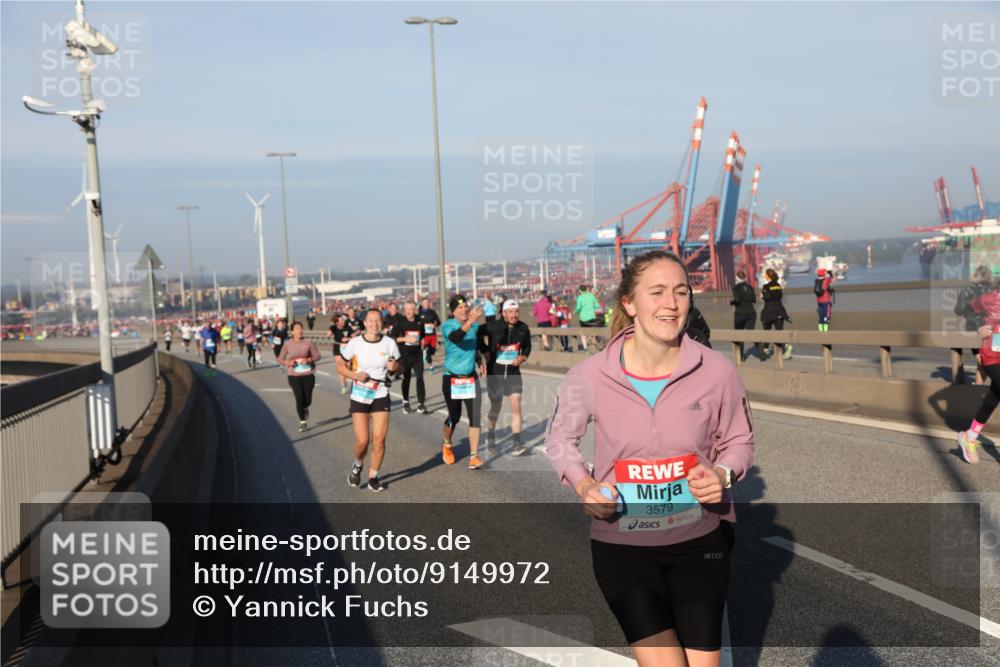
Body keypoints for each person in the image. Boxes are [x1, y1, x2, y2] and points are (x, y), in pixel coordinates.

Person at [545, 249, 753, 666]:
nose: (671, 303)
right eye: (656, 292)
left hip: (699, 542)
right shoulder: (588, 376)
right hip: (623, 545)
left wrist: (724, 474)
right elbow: (560, 441)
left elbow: (739, 440)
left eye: (680, 291)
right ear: (629, 303)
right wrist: (585, 486)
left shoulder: (715, 370)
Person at [337, 309, 400, 493]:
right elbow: (340, 366)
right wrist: (355, 375)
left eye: (378, 320)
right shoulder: (355, 343)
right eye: (371, 320)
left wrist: (395, 366)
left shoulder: (389, 343)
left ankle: (374, 476)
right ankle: (357, 465)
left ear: (382, 323)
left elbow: (398, 367)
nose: (374, 324)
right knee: (363, 441)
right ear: (365, 323)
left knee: (379, 440)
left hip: (381, 393)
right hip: (360, 393)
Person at [441, 295, 486, 469]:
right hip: (452, 378)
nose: (464, 310)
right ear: (453, 311)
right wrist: (471, 321)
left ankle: (474, 456)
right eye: (460, 308)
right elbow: (456, 338)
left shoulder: (474, 326)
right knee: (455, 416)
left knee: (475, 417)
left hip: (470, 378)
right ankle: (447, 442)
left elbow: (474, 346)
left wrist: (479, 359)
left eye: (466, 307)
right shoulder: (448, 326)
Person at [482, 299, 532, 456]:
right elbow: (477, 337)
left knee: (516, 405)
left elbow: (527, 348)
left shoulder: (523, 328)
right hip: (495, 373)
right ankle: (490, 434)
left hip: (513, 373)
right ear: (504, 313)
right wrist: (483, 354)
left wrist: (521, 359)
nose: (514, 315)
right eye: (510, 312)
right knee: (496, 407)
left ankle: (516, 443)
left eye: (516, 311)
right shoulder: (493, 327)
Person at [958, 282, 1000, 464]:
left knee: (994, 397)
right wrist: (977, 327)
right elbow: (966, 309)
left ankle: (970, 435)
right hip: (992, 353)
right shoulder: (988, 298)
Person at [277, 321, 321, 432]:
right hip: (293, 375)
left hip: (308, 374)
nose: (299, 331)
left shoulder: (308, 342)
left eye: (301, 328)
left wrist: (309, 359)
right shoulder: (287, 344)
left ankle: (305, 407)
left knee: (307, 400)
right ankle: (302, 422)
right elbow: (280, 358)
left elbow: (317, 355)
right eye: (297, 329)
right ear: (292, 331)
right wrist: (288, 363)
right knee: (299, 397)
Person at [956, 265, 993, 384]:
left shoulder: (968, 290)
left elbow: (958, 310)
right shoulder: (995, 289)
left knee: (983, 363)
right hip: (995, 330)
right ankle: (980, 393)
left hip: (975, 330)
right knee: (989, 363)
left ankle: (978, 393)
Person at [391, 302, 428, 414]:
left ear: (414, 310)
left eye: (410, 309)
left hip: (417, 354)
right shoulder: (400, 322)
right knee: (406, 378)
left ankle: (421, 404)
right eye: (406, 309)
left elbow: (422, 335)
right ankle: (406, 402)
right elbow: (392, 338)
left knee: (420, 377)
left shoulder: (419, 321)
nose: (408, 311)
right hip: (405, 354)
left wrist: (423, 342)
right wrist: (405, 339)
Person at [760, 268, 792, 360]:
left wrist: (762, 295)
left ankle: (765, 351)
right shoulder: (778, 285)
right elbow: (779, 297)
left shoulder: (766, 286)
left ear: (767, 276)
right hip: (780, 311)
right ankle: (785, 346)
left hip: (769, 312)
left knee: (767, 332)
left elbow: (768, 297)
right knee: (779, 332)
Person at [730, 269, 757, 360]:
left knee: (739, 334)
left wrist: (732, 302)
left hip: (740, 314)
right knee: (750, 331)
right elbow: (754, 300)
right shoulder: (750, 287)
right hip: (751, 313)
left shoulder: (736, 287)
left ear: (737, 277)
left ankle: (741, 356)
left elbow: (737, 300)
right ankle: (758, 343)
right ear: (745, 278)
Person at [328, 313, 353, 394]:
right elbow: (328, 334)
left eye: (343, 319)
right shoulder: (333, 327)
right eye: (341, 320)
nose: (343, 321)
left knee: (348, 367)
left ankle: (353, 384)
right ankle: (343, 386)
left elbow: (353, 336)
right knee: (341, 367)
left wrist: (348, 338)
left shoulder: (347, 327)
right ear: (337, 322)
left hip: (348, 348)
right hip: (338, 348)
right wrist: (330, 331)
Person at [575, 284, 602, 351]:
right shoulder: (591, 296)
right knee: (594, 333)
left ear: (580, 290)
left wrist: (575, 312)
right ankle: (597, 346)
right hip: (592, 317)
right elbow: (597, 306)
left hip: (584, 319)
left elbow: (578, 308)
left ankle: (586, 348)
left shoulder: (580, 298)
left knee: (584, 334)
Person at [418, 297, 442, 372]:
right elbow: (417, 323)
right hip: (424, 335)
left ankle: (426, 354)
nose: (426, 304)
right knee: (428, 350)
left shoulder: (433, 312)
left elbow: (438, 322)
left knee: (432, 351)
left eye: (427, 302)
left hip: (432, 334)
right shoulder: (419, 313)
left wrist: (434, 325)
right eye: (424, 303)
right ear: (422, 304)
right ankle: (430, 366)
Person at [815, 268, 835, 332]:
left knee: (821, 316)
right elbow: (833, 278)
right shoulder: (826, 280)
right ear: (824, 273)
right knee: (826, 316)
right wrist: (831, 273)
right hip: (826, 300)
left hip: (819, 301)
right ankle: (825, 332)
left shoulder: (816, 280)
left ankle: (821, 331)